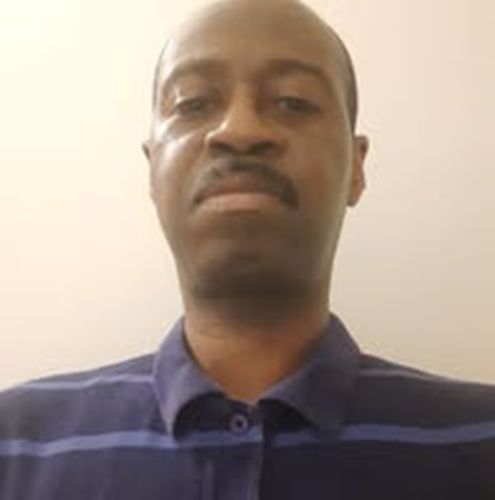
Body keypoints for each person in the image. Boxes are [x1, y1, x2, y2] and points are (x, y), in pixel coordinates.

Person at [1, 0, 494, 498]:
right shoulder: (15, 444)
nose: (239, 130)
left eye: (294, 101)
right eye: (194, 103)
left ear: (356, 167)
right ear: (152, 169)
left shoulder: (481, 439)